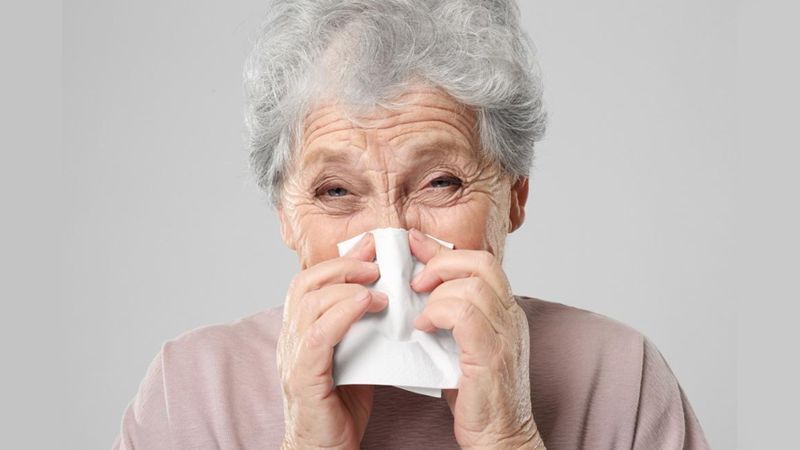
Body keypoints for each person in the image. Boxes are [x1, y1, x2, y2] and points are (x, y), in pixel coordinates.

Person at [113, 0, 710, 448]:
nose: (388, 240)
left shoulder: (619, 377)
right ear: (286, 218)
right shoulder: (190, 392)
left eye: (440, 182)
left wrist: (508, 437)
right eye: (336, 191)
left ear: (514, 197)